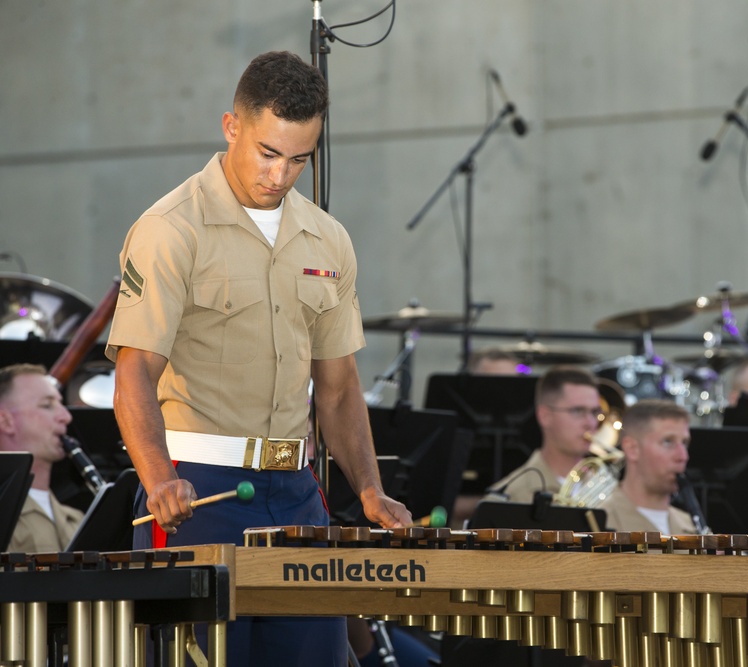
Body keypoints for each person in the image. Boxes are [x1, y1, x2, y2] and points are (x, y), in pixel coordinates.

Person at [105, 51, 410, 666]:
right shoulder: (170, 228)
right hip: (198, 493)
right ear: (232, 126)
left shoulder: (329, 238)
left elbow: (340, 387)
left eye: (300, 158)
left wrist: (371, 489)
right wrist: (158, 476)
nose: (281, 174)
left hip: (296, 493)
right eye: (269, 152)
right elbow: (134, 371)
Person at [485, 366, 602, 503]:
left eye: (594, 412)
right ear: (545, 416)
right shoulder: (509, 497)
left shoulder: (610, 488)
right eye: (577, 411)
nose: (591, 423)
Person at [0, 363, 83, 552]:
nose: (66, 416)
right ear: (5, 421)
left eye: (61, 404)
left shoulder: (77, 519)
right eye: (47, 405)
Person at [596, 400, 697, 535]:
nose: (683, 456)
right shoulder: (599, 524)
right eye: (668, 441)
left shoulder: (690, 525)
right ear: (632, 449)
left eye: (684, 443)